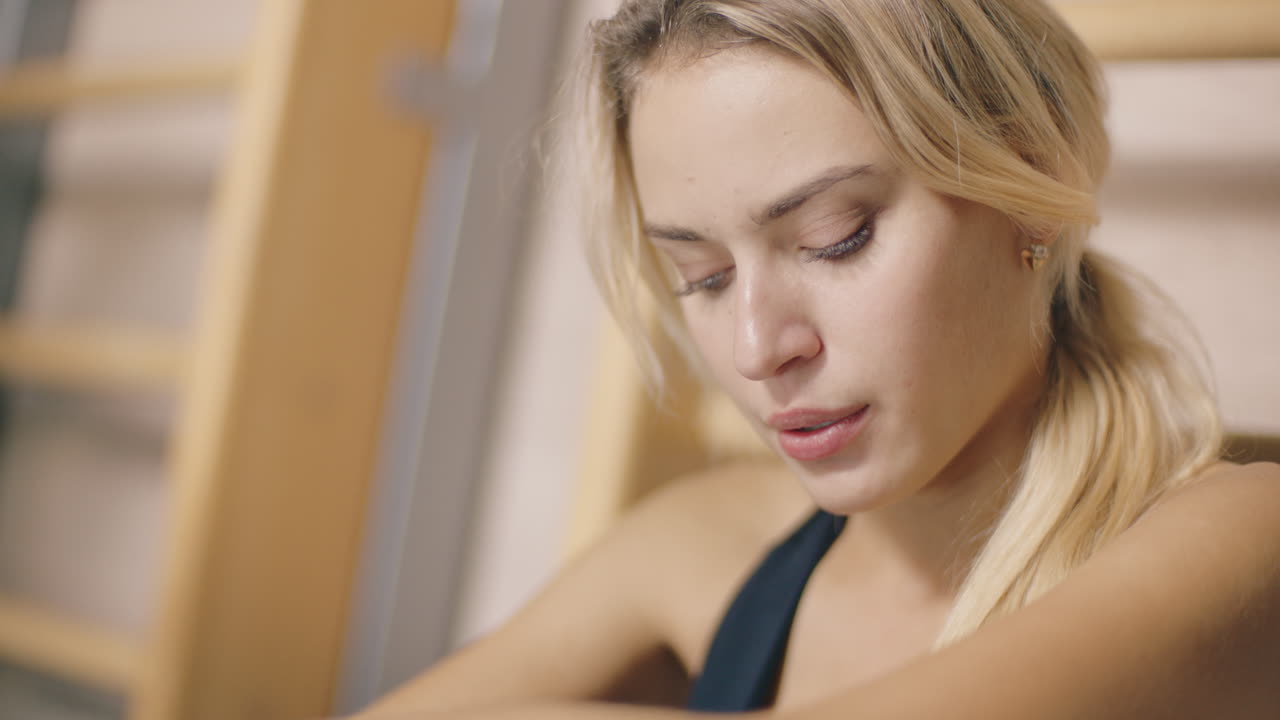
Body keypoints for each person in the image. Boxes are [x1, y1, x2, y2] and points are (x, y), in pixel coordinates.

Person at [352, 1, 1280, 717]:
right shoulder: (710, 541)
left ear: (1030, 181)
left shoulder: (1241, 541)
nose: (759, 350)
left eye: (836, 239)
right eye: (703, 275)